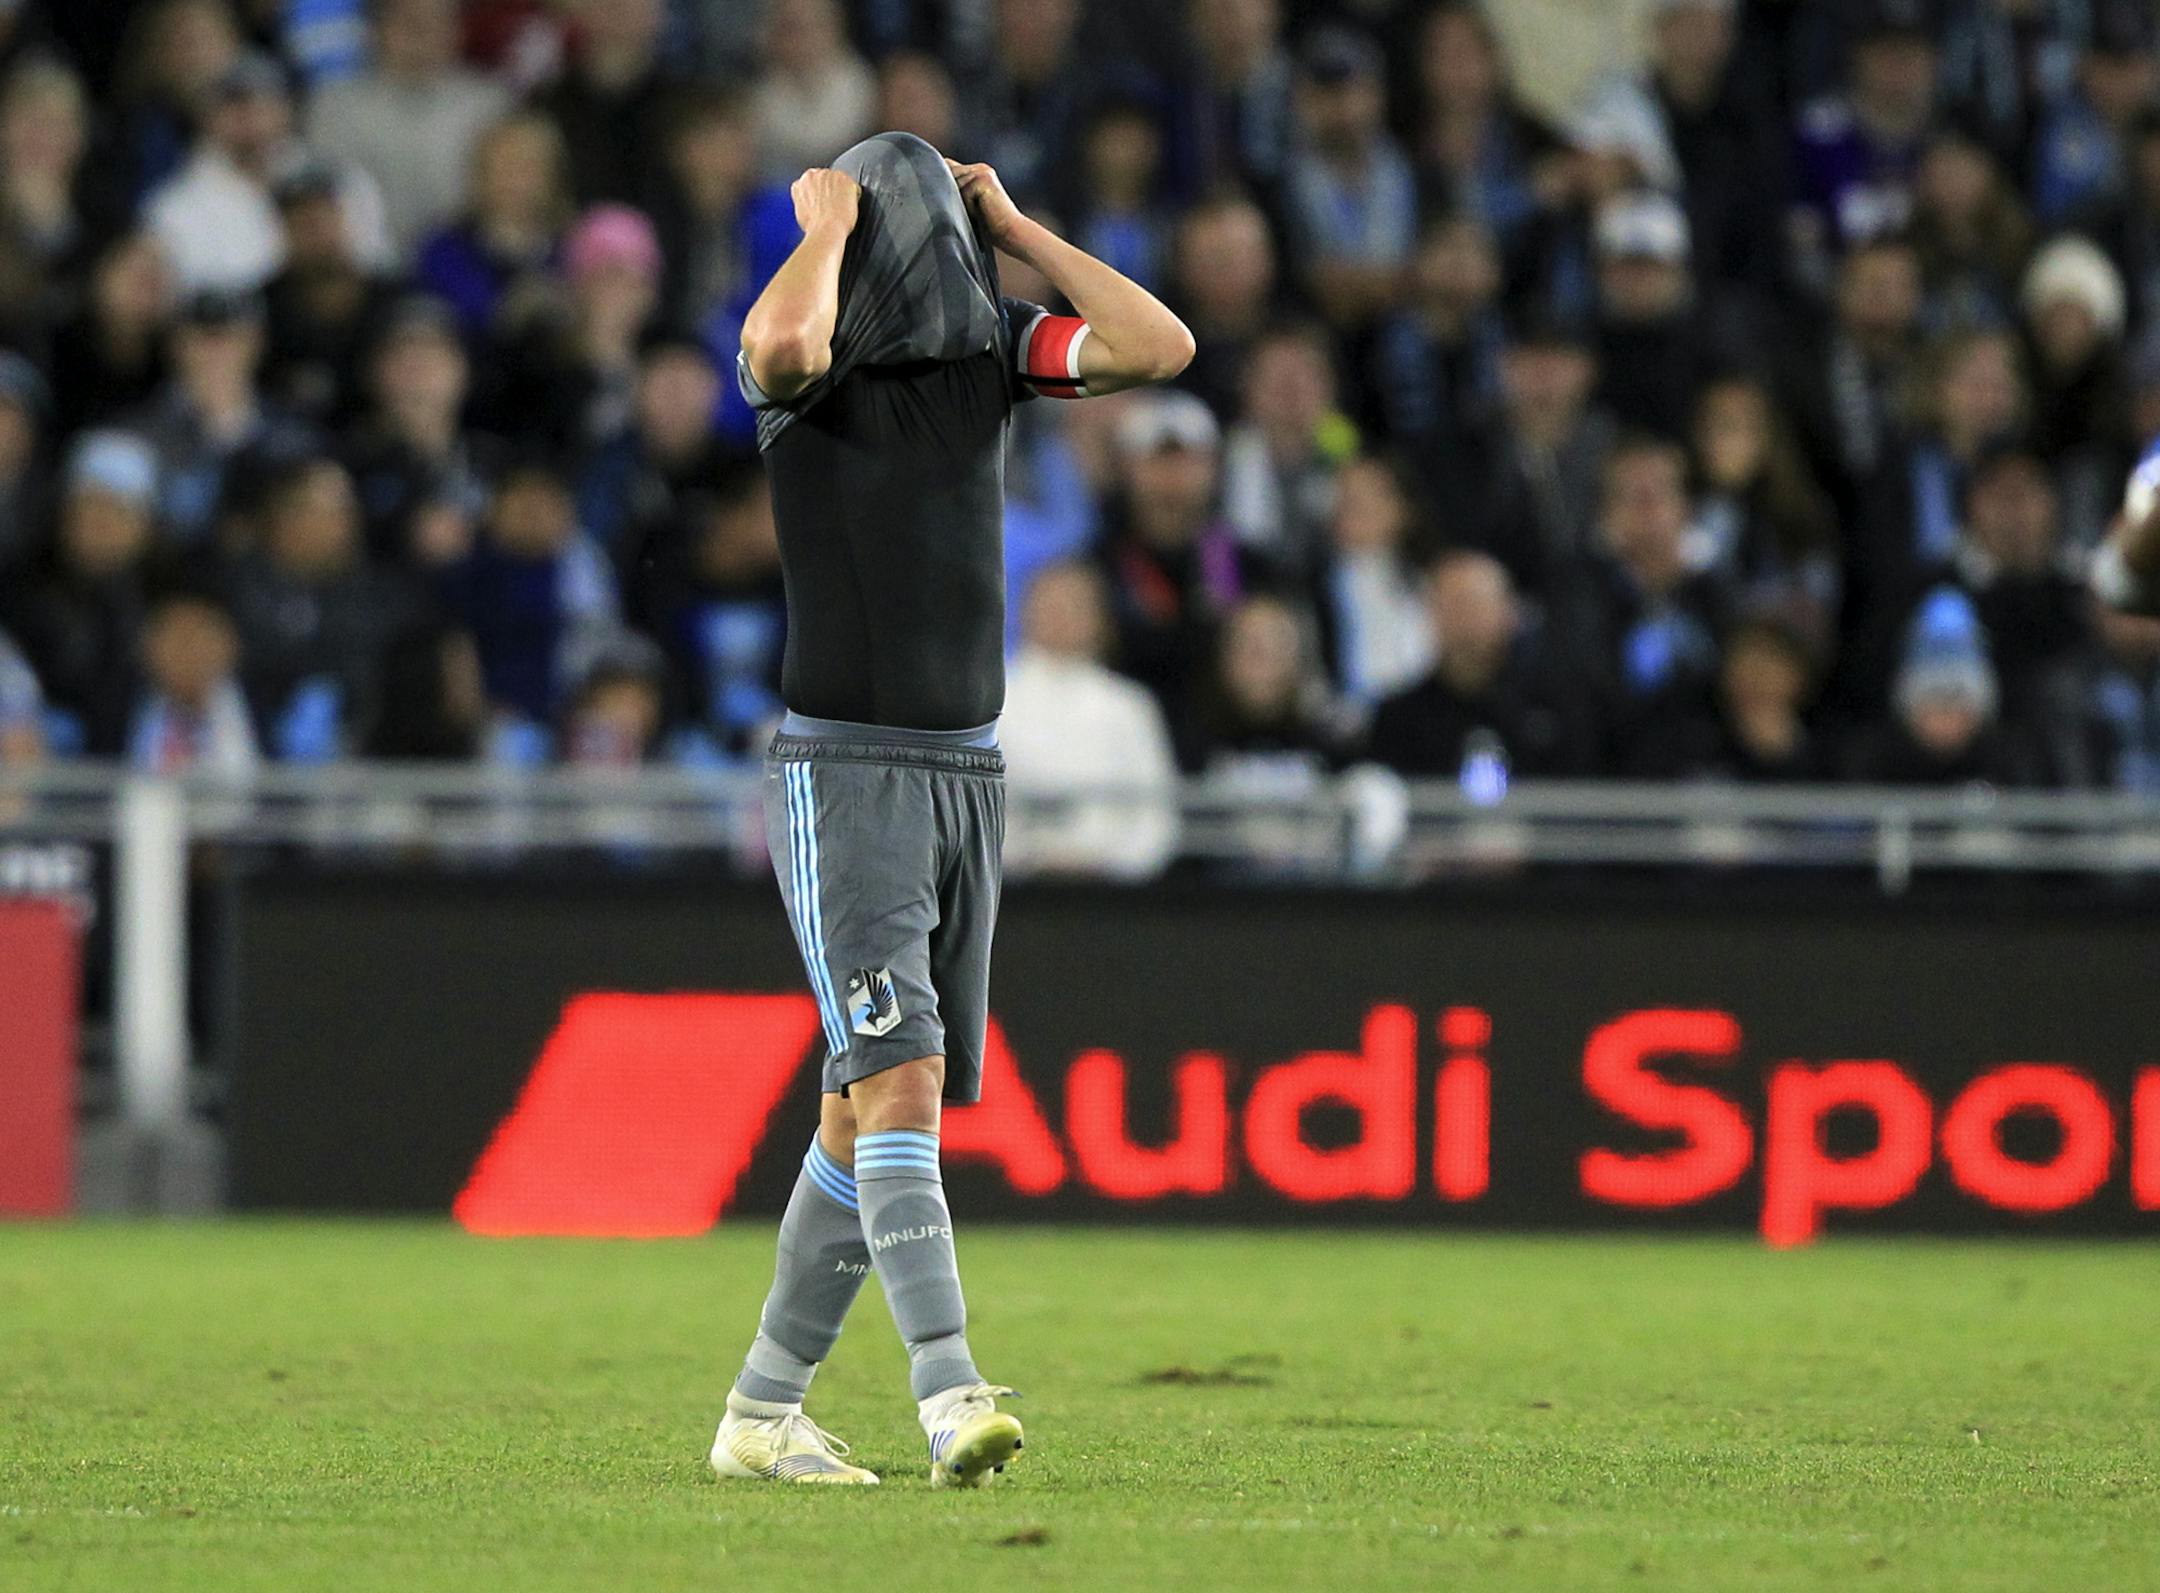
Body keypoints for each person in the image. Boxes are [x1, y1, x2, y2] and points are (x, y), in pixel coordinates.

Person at [714, 130, 1190, 1489]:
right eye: (910, 222)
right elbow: (784, 351)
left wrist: (1024, 225)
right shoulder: (813, 369)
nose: (938, 245)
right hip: (845, 769)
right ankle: (945, 1386)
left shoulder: (992, 358)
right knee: (900, 1075)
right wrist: (821, 231)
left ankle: (761, 1413)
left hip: (966, 774)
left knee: (860, 1111)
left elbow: (1159, 349)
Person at [1000, 559, 1180, 879]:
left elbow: (1157, 816)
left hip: (1110, 897)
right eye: (1050, 604)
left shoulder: (1130, 706)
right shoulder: (994, 704)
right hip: (1014, 892)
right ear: (1024, 611)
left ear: (1099, 618)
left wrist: (1110, 864)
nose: (1061, 616)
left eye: (1075, 605)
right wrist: (1024, 859)